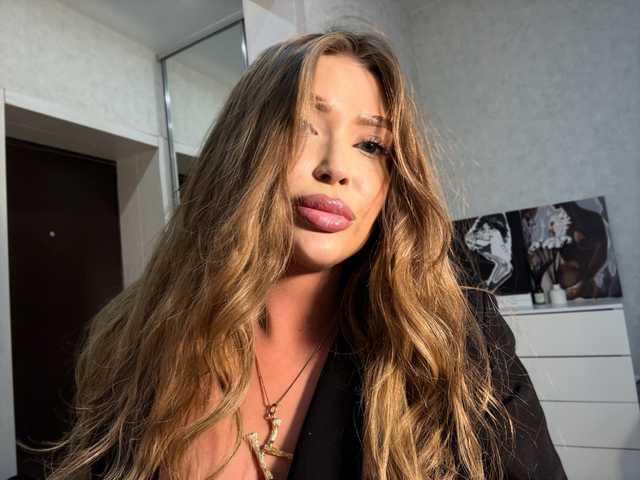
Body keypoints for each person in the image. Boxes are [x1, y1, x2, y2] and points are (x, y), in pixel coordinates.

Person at [40, 28, 566, 480]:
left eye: (371, 145)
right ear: (241, 149)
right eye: (301, 127)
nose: (336, 167)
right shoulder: (133, 340)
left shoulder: (452, 336)